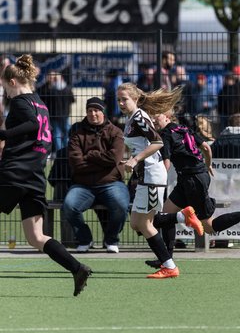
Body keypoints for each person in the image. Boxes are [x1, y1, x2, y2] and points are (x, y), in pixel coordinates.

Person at [0, 54, 92, 296]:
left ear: (11, 82)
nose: (5, 94)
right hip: (35, 175)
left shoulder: (20, 101)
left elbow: (30, 125)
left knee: (36, 235)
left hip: (16, 172)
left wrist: (3, 135)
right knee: (36, 237)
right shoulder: (40, 102)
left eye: (3, 87)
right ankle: (77, 268)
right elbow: (42, 134)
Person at [117, 82, 204, 279]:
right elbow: (143, 145)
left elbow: (157, 142)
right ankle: (183, 217)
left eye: (125, 99)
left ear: (136, 99)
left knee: (144, 224)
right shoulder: (132, 118)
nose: (121, 103)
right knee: (136, 223)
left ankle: (169, 266)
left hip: (151, 174)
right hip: (145, 174)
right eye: (119, 100)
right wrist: (130, 160)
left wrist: (136, 159)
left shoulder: (139, 117)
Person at [146, 109, 240, 268]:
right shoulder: (183, 128)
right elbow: (206, 148)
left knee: (208, 227)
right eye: (152, 117)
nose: (154, 119)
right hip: (190, 178)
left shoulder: (166, 135)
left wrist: (151, 176)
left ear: (168, 117)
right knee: (167, 214)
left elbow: (166, 165)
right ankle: (166, 260)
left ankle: (166, 260)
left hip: (193, 181)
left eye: (157, 116)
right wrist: (208, 165)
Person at [63, 97, 130, 253]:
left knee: (121, 206)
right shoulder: (77, 131)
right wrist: (103, 162)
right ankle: (85, 239)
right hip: (83, 184)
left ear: (103, 111)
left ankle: (111, 239)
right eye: (89, 111)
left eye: (96, 110)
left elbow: (114, 158)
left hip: (112, 183)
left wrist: (90, 155)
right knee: (69, 206)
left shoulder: (115, 131)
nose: (93, 114)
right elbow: (76, 163)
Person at [39, 70, 75, 155]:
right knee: (64, 134)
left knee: (57, 134)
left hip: (56, 115)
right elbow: (72, 100)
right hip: (63, 115)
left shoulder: (50, 90)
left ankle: (60, 151)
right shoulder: (66, 88)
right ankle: (65, 151)